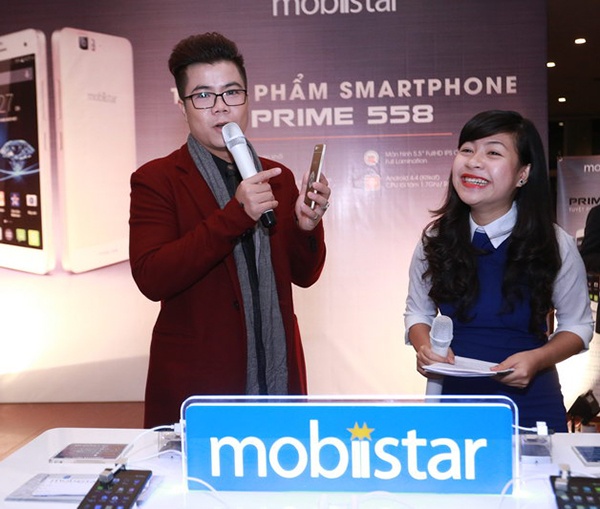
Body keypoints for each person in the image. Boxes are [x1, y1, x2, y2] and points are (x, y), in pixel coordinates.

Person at [129, 33, 330, 428]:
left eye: (232, 93)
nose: (221, 107)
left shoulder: (277, 176)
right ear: (183, 106)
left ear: (247, 99)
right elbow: (153, 276)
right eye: (203, 96)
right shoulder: (157, 179)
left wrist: (306, 226)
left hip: (276, 376)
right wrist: (236, 214)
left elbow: (304, 275)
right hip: (199, 380)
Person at [404, 110, 594, 432]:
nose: (474, 161)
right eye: (467, 149)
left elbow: (578, 326)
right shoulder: (435, 239)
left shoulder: (554, 243)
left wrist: (537, 359)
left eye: (493, 152)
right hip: (454, 401)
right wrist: (425, 348)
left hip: (531, 403)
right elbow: (417, 313)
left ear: (523, 174)